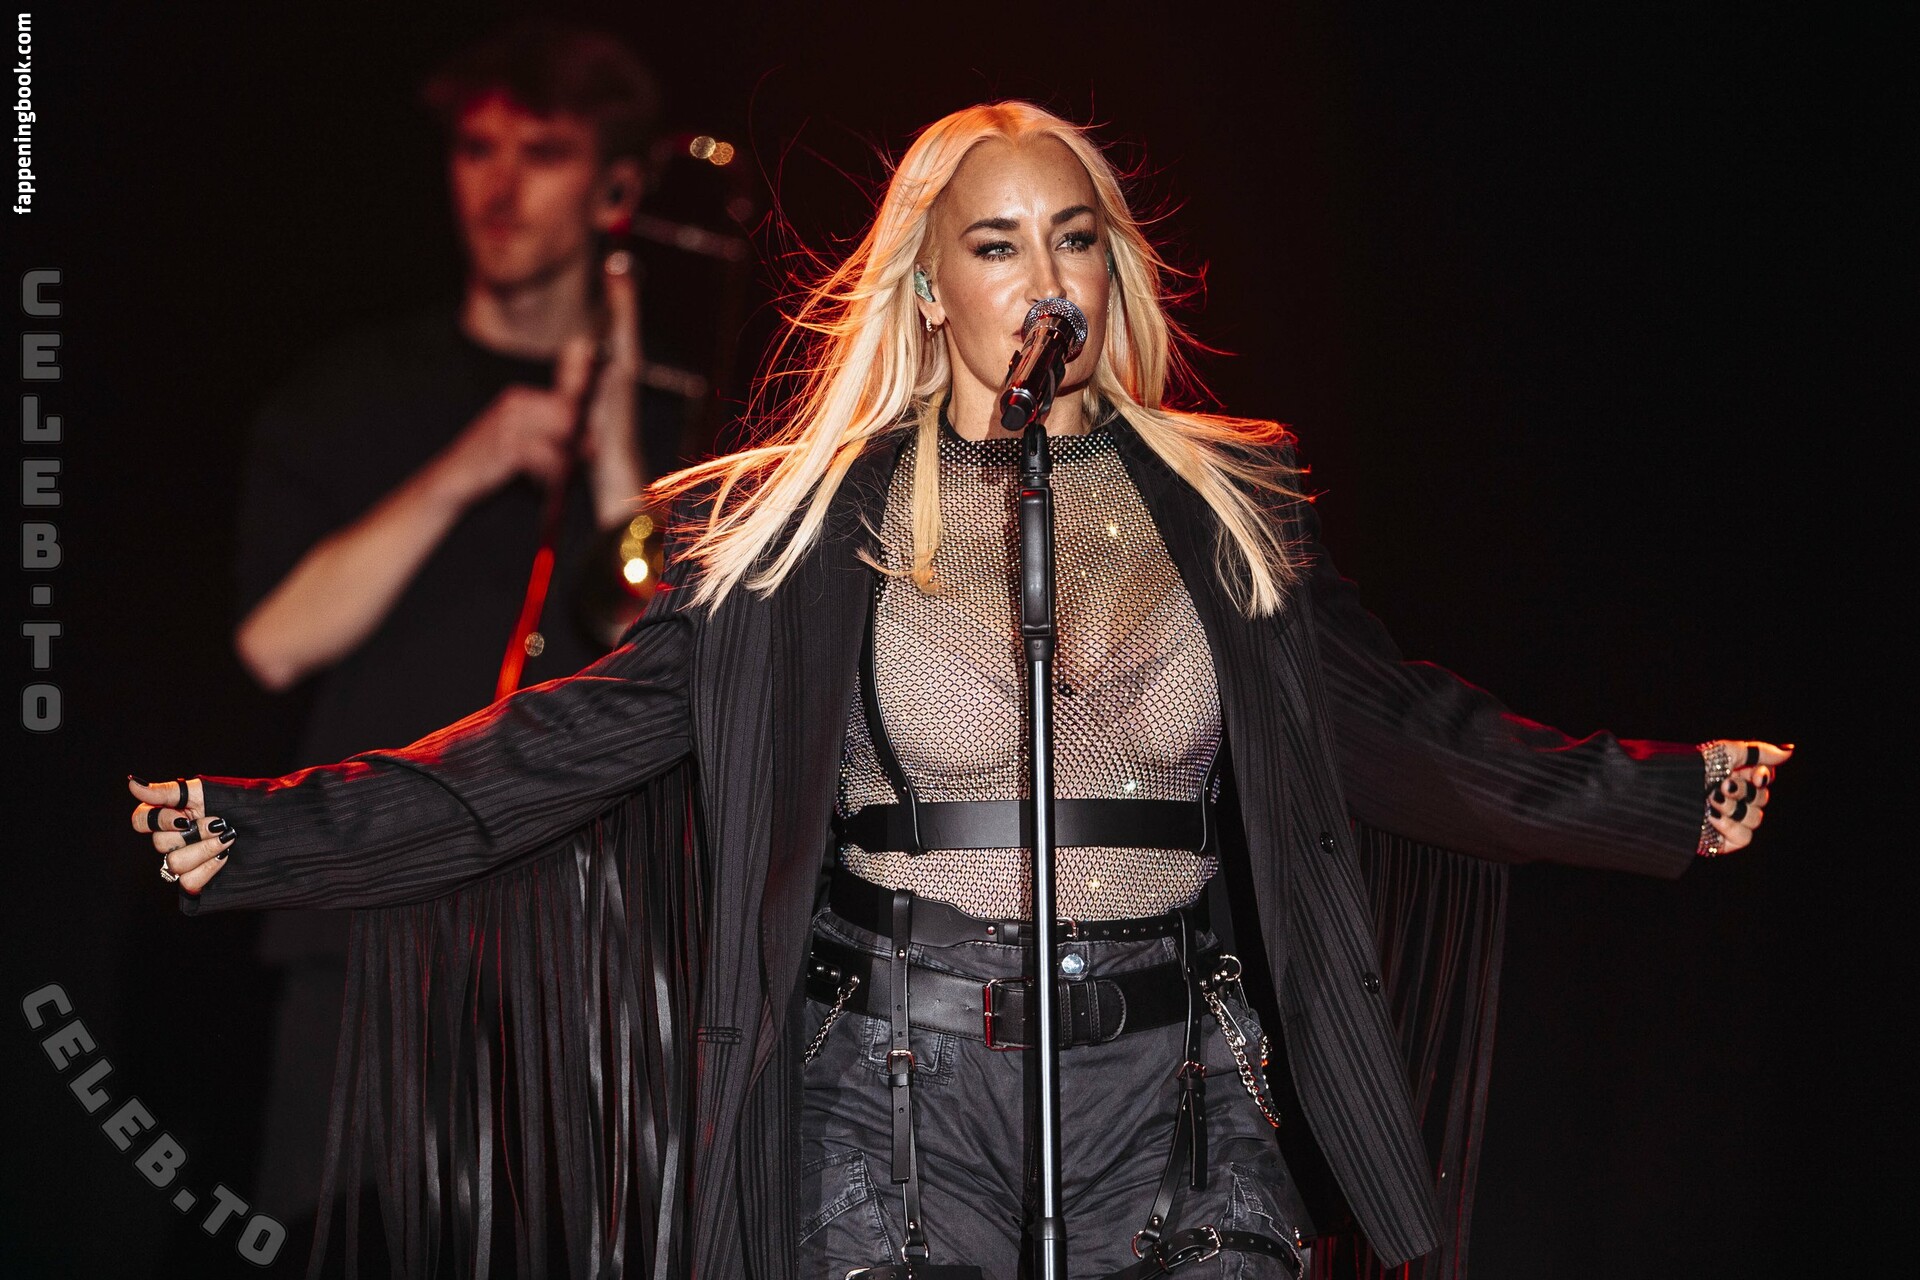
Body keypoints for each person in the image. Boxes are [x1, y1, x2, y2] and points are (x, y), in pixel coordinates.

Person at [129, 102, 1788, 1278]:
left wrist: (1655, 797)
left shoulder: (1228, 504)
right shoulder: (800, 531)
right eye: (995, 242)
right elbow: (555, 744)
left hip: (1178, 1087)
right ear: (932, 286)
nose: (1040, 269)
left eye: (1072, 233)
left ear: (1112, 267)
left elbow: (1402, 729)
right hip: (896, 1093)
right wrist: (271, 831)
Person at [225, 21, 678, 1239]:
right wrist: (466, 466)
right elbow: (274, 642)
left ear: (616, 189)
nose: (499, 187)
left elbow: (669, 649)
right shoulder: (353, 389)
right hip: (362, 930)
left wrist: (615, 449)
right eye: (478, 149)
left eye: (544, 152)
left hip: (573, 955)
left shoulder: (679, 434)